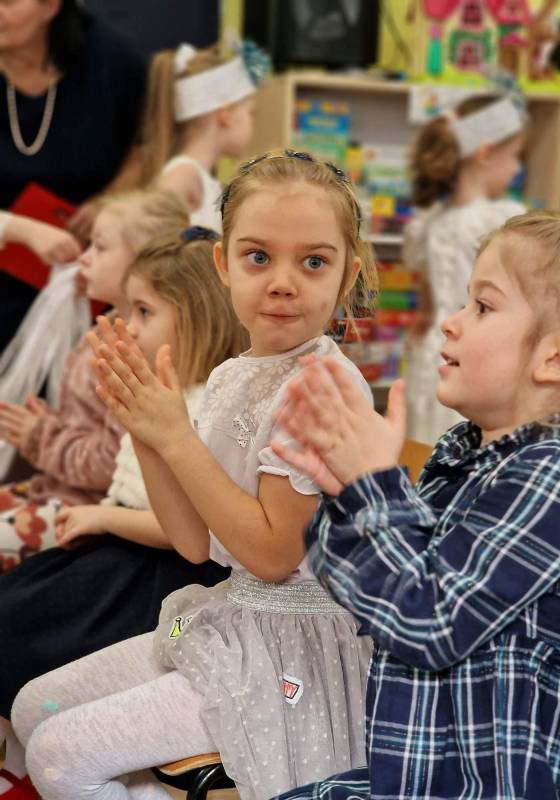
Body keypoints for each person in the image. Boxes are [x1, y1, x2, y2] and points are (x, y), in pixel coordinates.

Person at [11, 150, 378, 800]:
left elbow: (271, 555)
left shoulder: (324, 386)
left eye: (313, 262)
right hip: (219, 618)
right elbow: (191, 542)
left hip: (291, 656)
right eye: (258, 257)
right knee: (34, 706)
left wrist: (177, 438)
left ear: (347, 274)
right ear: (224, 265)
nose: (283, 282)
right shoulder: (236, 374)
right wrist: (146, 429)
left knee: (62, 756)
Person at [270, 208, 560, 800]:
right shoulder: (466, 453)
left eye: (483, 306)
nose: (451, 323)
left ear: (559, 356)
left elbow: (428, 622)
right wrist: (348, 492)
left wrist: (372, 485)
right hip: (420, 773)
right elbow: (381, 600)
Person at [0, 229, 243, 800]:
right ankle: (25, 764)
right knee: (15, 605)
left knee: (22, 626)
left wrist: (103, 517)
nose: (128, 327)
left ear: (197, 318)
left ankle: (52, 765)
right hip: (122, 547)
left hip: (160, 574)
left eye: (143, 312)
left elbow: (189, 535)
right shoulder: (162, 395)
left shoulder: (211, 408)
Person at [0, 190, 188, 573]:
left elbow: (111, 465)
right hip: (54, 489)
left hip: (87, 509)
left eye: (99, 248)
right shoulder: (105, 328)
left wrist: (41, 437)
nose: (84, 258)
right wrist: (47, 425)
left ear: (142, 263)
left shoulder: (135, 352)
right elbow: (85, 425)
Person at [0, 0, 147, 350]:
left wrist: (109, 202)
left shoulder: (113, 62)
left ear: (51, 6)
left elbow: (144, 153)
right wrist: (20, 229)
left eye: (8, 1)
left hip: (84, 271)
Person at [404, 92, 527, 444]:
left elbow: (425, 310)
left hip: (434, 354)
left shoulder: (426, 224)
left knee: (428, 441)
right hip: (483, 353)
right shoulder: (502, 221)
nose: (517, 168)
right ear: (485, 154)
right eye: (514, 156)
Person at [140, 41, 267, 231]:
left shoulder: (199, 178)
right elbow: (156, 240)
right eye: (251, 113)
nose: (253, 123)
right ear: (225, 114)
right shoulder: (183, 176)